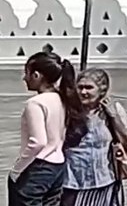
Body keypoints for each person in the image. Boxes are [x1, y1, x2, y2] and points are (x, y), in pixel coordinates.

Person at [10, 52, 85, 206]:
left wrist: (17, 170)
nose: (24, 78)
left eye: (27, 73)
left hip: (38, 166)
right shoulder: (63, 99)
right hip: (58, 166)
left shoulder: (35, 103)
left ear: (36, 75)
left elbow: (38, 142)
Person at [61, 69, 127, 206]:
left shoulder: (112, 110)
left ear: (102, 90)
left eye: (89, 88)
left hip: (104, 180)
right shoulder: (68, 111)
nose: (83, 92)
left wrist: (113, 116)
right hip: (72, 183)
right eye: (80, 87)